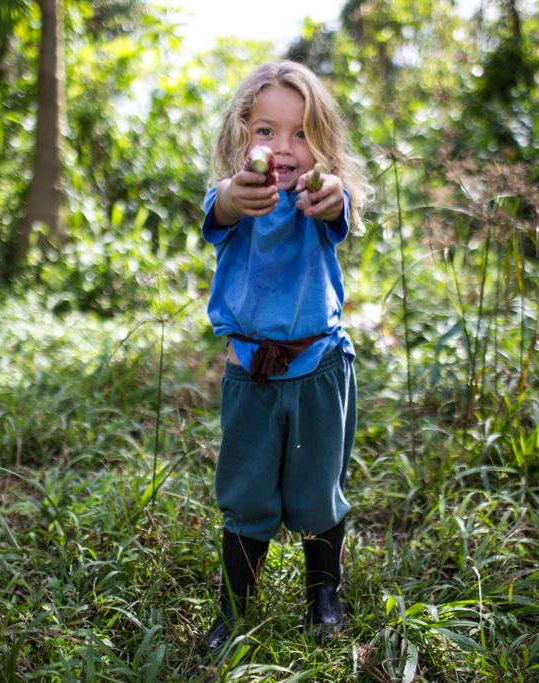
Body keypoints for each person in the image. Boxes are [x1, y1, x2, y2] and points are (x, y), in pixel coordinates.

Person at [199, 60, 366, 650]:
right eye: (266, 131)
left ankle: (324, 599)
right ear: (242, 133)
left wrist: (330, 192)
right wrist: (229, 194)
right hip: (251, 374)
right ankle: (234, 609)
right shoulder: (237, 197)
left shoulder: (319, 198)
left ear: (322, 143)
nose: (284, 147)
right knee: (246, 492)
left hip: (317, 371)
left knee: (319, 488)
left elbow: (339, 208)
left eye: (301, 133)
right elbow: (217, 209)